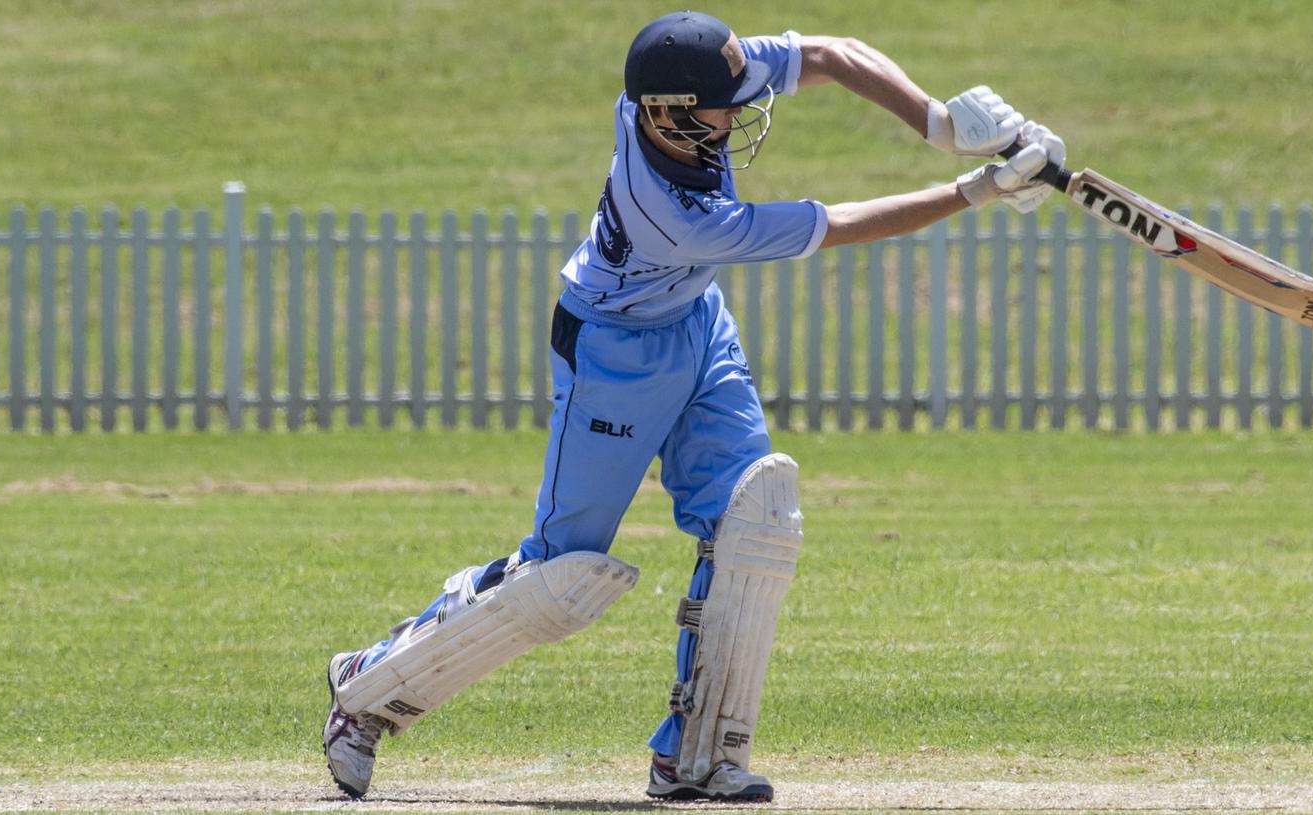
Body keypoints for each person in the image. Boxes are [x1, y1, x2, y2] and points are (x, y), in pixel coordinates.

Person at [322, 10, 1064, 802]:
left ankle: (698, 757)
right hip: (612, 354)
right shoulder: (674, 216)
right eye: (723, 106)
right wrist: (975, 188)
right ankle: (366, 690)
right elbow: (841, 226)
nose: (739, 110)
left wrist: (943, 123)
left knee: (755, 521)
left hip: (697, 325)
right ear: (669, 114)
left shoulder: (681, 95)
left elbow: (831, 54)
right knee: (561, 576)